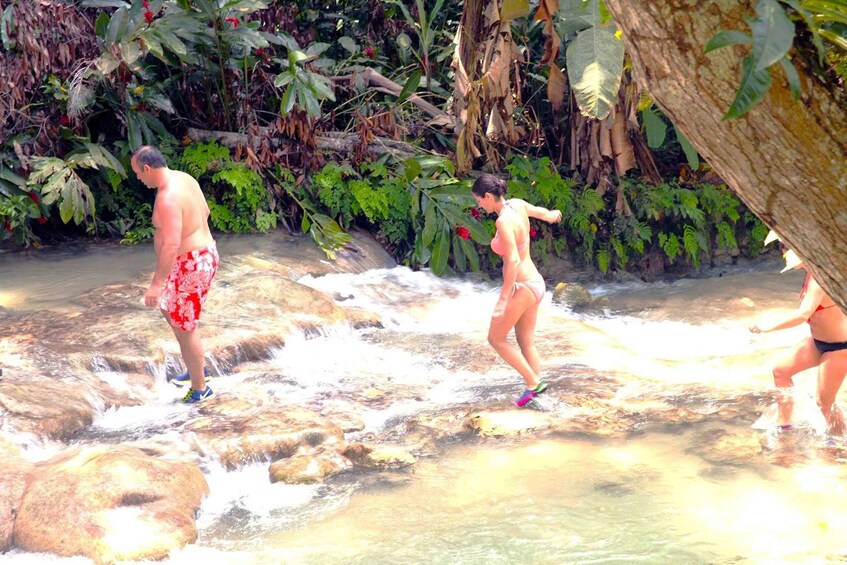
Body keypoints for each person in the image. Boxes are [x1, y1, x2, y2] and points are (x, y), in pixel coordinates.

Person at [131, 146, 219, 404]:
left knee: (185, 327)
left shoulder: (168, 197)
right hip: (200, 256)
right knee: (171, 311)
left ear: (148, 169)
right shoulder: (185, 178)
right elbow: (205, 212)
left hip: (191, 264)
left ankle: (200, 388)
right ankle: (195, 367)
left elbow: (170, 244)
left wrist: (156, 284)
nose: (138, 178)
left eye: (137, 173)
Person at [471, 173, 563, 407]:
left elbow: (511, 261)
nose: (478, 205)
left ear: (489, 196)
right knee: (526, 342)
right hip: (536, 284)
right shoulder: (517, 204)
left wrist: (503, 299)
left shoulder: (503, 222)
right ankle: (538, 394)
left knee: (496, 338)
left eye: (479, 200)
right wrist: (552, 216)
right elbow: (541, 212)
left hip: (523, 287)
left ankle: (533, 383)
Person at [749, 232, 847, 437]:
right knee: (781, 370)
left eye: (786, 248)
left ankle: (840, 441)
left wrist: (767, 328)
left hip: (839, 347)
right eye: (782, 247)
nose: (783, 252)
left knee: (824, 402)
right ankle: (785, 424)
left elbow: (803, 314)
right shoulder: (811, 274)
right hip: (819, 342)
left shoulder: (820, 279)